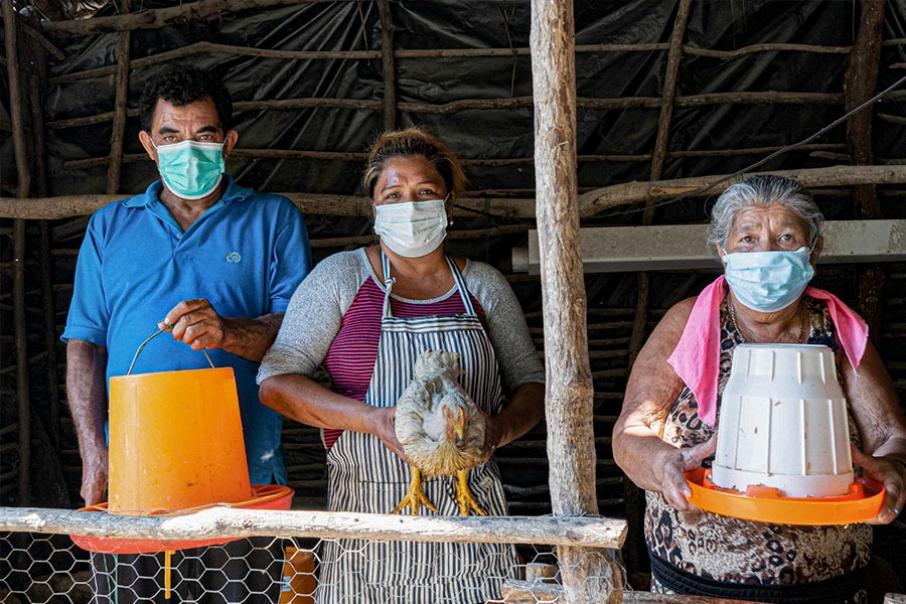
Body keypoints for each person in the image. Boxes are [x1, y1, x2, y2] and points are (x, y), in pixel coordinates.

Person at [257, 127, 545, 603]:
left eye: (425, 192)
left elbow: (531, 383)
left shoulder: (483, 286)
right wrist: (372, 420)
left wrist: (500, 430)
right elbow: (275, 383)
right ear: (375, 207)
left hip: (472, 523)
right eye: (393, 195)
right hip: (368, 521)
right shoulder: (341, 278)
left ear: (448, 204)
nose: (409, 207)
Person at [63, 64, 312, 602]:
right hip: (132, 468)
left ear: (228, 142)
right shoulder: (109, 226)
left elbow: (299, 337)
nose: (188, 149)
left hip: (243, 470)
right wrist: (94, 453)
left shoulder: (273, 219)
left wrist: (227, 333)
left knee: (237, 593)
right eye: (172, 136)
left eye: (203, 135)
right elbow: (85, 344)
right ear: (149, 146)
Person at [613, 175, 906, 603]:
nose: (765, 253)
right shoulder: (689, 324)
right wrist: (663, 465)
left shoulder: (838, 330)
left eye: (785, 237)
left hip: (828, 591)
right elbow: (630, 434)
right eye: (748, 238)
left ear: (813, 250)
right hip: (697, 592)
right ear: (723, 251)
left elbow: (890, 436)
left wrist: (893, 469)